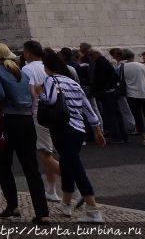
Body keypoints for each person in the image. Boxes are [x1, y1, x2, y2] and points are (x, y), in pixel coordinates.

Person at [0, 43, 49, 223]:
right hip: (26, 121)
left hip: (6, 122)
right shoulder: (22, 72)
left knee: (2, 164)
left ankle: (13, 205)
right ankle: (42, 212)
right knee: (31, 168)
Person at [39, 49, 106, 222]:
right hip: (79, 130)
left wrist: (40, 94)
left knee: (76, 168)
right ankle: (66, 204)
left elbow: (50, 99)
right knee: (68, 165)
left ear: (47, 67)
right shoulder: (73, 82)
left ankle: (93, 210)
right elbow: (88, 109)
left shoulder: (50, 80)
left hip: (62, 129)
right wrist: (97, 131)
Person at [21, 40, 62, 202]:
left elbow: (31, 91)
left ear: (28, 53)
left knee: (44, 154)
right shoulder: (48, 66)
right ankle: (51, 190)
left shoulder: (27, 68)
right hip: (57, 113)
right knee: (49, 151)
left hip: (39, 113)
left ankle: (77, 185)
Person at [87, 46, 126, 143]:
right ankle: (122, 135)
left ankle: (117, 136)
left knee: (111, 114)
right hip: (111, 91)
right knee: (116, 113)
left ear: (97, 53)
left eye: (91, 55)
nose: (91, 57)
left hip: (107, 92)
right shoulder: (104, 62)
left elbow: (100, 79)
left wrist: (95, 89)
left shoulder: (101, 63)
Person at [127, 50, 145, 146]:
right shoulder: (143, 67)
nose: (144, 61)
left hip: (137, 95)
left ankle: (144, 138)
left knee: (140, 116)